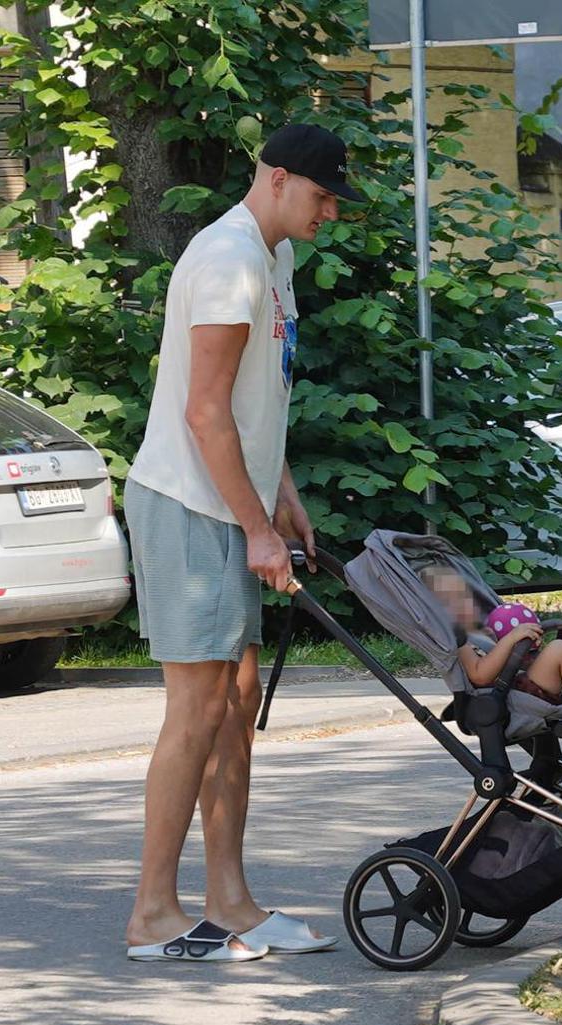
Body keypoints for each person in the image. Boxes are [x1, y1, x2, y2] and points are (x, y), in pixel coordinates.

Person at [122, 124, 363, 962]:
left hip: (233, 502)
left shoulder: (274, 255)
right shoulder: (228, 259)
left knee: (235, 709)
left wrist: (281, 494)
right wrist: (257, 528)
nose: (331, 213)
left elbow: (256, 401)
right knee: (196, 710)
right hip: (189, 504)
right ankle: (152, 913)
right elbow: (203, 410)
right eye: (323, 196)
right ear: (278, 178)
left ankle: (230, 901)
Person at [423, 567, 562, 707]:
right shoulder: (459, 641)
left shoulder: (484, 631)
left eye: (463, 596)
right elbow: (480, 676)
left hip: (527, 683)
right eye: (449, 602)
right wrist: (510, 639)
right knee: (558, 649)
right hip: (513, 695)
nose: (461, 604)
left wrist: (526, 644)